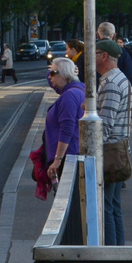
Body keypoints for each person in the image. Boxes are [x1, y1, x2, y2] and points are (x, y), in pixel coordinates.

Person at [95, 40, 132, 246]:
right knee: (114, 205)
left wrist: (91, 149)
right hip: (119, 149)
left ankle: (111, 254)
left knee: (106, 207)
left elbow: (106, 124)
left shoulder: (110, 83)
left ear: (104, 57)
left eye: (95, 53)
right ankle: (119, 251)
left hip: (110, 152)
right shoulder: (120, 79)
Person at [43, 56, 86, 186]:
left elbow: (67, 129)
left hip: (68, 157)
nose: (50, 77)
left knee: (68, 199)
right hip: (71, 154)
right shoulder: (78, 88)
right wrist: (54, 71)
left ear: (65, 76)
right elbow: (53, 80)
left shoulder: (69, 95)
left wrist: (58, 160)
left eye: (53, 73)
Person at [98, 22, 132, 117]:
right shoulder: (121, 52)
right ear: (114, 36)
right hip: (114, 99)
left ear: (98, 35)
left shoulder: (89, 51)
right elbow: (131, 76)